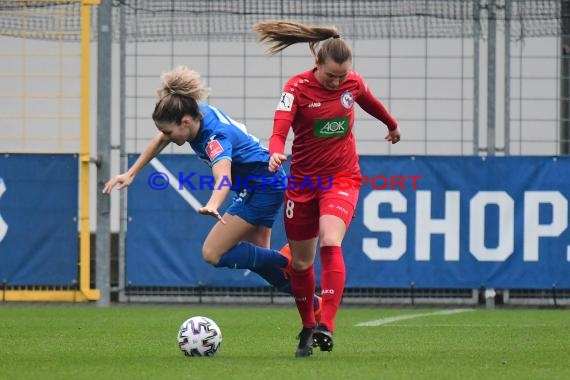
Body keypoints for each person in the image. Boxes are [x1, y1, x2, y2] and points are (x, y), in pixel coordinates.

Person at [103, 65, 321, 317]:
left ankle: (289, 260)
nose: (166, 136)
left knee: (213, 253)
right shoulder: (195, 113)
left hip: (261, 188)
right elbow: (160, 139)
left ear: (184, 122)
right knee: (265, 264)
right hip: (265, 184)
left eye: (168, 131)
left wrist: (214, 204)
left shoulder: (213, 138)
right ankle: (314, 304)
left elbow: (223, 177)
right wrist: (131, 173)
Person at [254, 21, 401, 357]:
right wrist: (276, 150)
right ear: (316, 64)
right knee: (301, 265)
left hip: (341, 178)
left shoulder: (352, 82)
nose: (338, 82)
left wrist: (391, 125)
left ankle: (327, 326)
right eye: (331, 76)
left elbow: (371, 102)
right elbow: (279, 129)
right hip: (303, 183)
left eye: (342, 76)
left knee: (331, 239)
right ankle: (308, 325)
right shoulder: (296, 88)